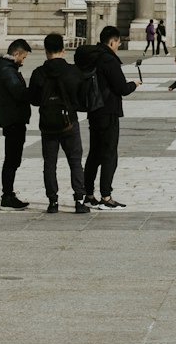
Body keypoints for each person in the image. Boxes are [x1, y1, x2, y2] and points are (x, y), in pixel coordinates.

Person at [27, 32, 90, 214]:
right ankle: (79, 200)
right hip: (69, 120)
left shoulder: (38, 72)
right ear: (63, 50)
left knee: (49, 163)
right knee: (75, 161)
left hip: (47, 123)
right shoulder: (72, 71)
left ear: (46, 51)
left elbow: (34, 99)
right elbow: (81, 96)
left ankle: (53, 202)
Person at [77, 25, 139, 209]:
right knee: (110, 154)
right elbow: (121, 88)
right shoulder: (109, 60)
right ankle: (106, 196)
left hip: (94, 110)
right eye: (118, 43)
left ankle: (88, 194)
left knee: (94, 153)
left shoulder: (92, 57)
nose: (118, 46)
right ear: (112, 41)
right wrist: (134, 84)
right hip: (108, 110)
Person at [0, 38, 32, 208]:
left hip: (11, 119)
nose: (23, 60)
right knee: (12, 159)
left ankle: (8, 193)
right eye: (23, 57)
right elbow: (19, 93)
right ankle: (7, 195)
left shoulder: (6, 69)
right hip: (13, 119)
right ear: (16, 54)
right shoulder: (8, 72)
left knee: (12, 159)